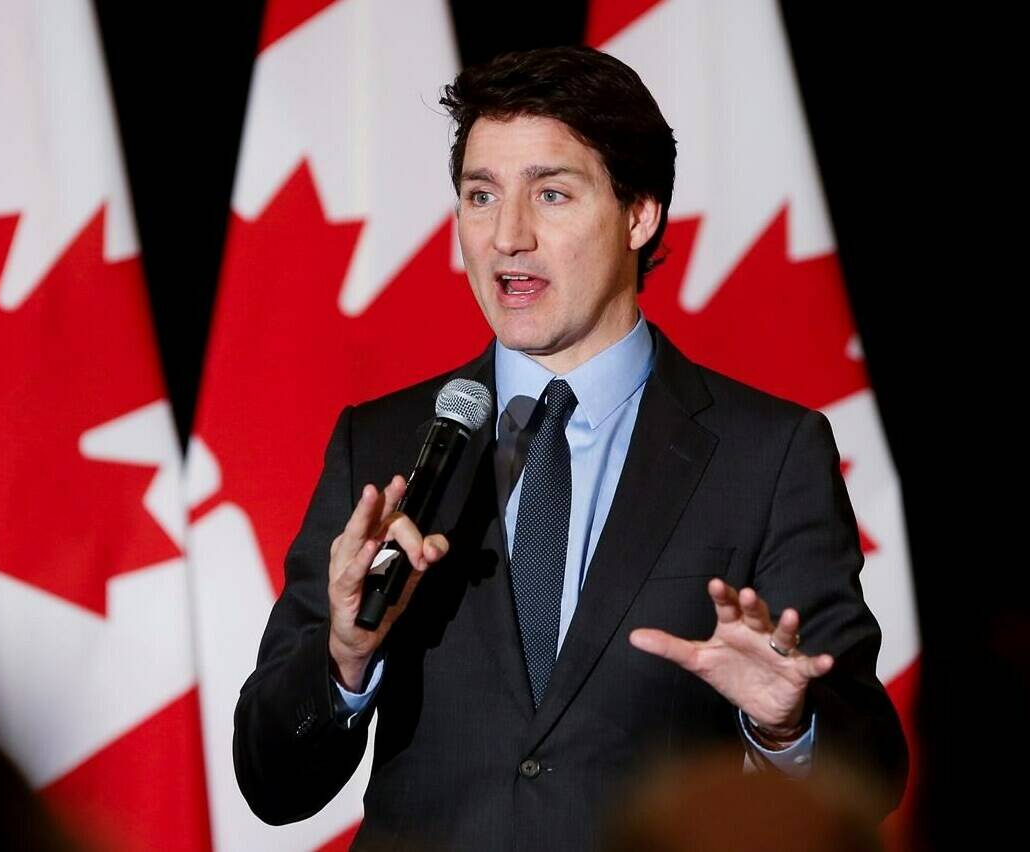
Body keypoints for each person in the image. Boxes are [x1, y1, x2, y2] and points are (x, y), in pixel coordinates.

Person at [233, 45, 907, 851]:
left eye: (551, 194)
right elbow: (272, 783)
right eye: (480, 196)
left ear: (638, 214)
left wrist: (783, 727)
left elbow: (869, 779)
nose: (507, 236)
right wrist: (343, 661)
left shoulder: (768, 454)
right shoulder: (382, 446)